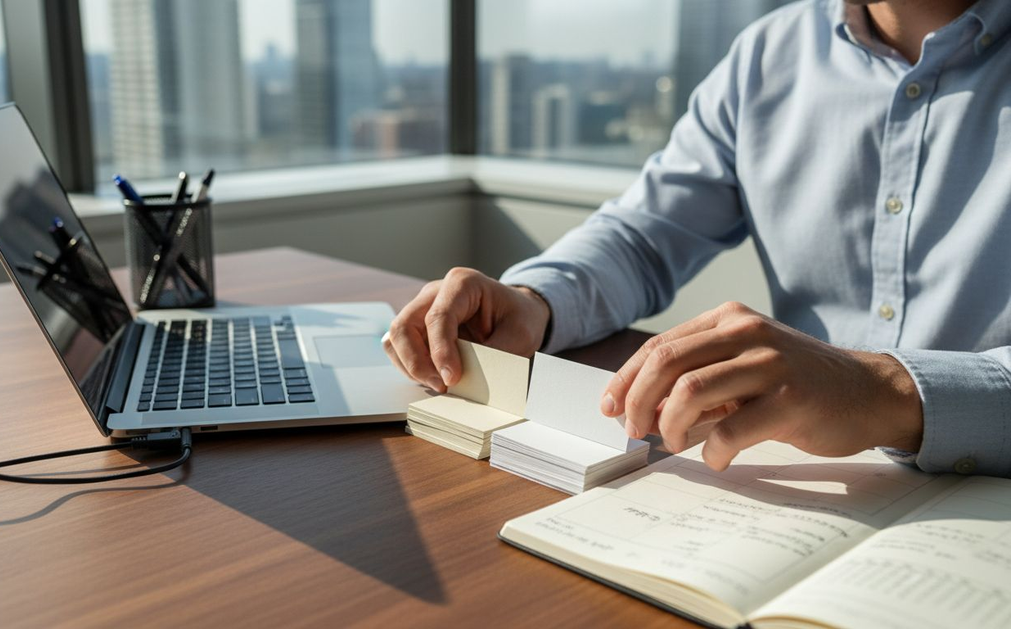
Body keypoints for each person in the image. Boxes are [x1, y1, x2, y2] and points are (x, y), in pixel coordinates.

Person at [384, 0, 1011, 478]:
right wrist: (534, 302)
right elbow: (646, 235)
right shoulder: (769, 54)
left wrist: (882, 392)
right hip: (800, 480)